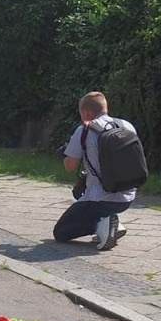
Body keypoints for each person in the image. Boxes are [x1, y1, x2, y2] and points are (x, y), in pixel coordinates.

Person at [56, 91, 138, 249]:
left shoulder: (84, 130)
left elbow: (69, 166)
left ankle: (104, 226)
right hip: (127, 197)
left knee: (61, 232)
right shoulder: (126, 126)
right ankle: (110, 224)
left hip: (98, 199)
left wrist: (65, 153)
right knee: (93, 209)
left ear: (86, 111)